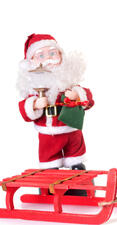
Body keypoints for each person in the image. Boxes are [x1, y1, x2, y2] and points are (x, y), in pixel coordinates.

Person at [17, 34, 94, 171]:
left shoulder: (68, 80)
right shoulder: (33, 86)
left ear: (61, 55)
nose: (48, 59)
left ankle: (78, 174)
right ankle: (50, 179)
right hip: (48, 133)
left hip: (72, 129)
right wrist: (34, 104)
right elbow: (24, 110)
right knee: (50, 162)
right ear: (32, 61)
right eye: (41, 56)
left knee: (77, 161)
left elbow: (88, 99)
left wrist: (77, 95)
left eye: (53, 53)